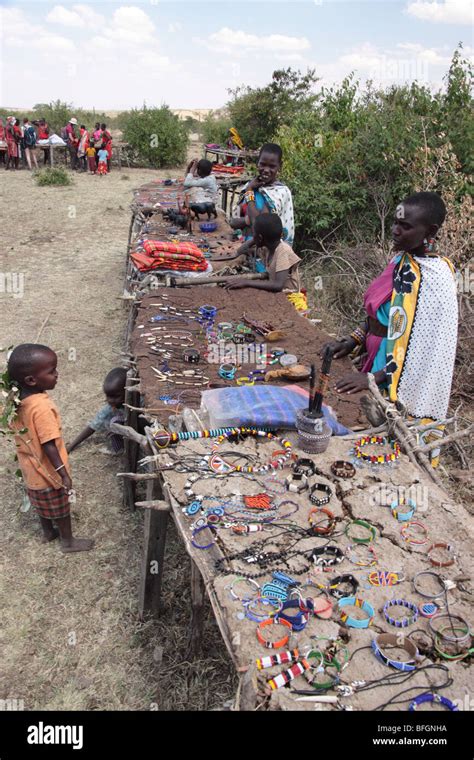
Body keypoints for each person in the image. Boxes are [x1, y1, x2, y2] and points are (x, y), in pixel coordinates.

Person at [323, 191, 458, 465]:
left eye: (405, 226)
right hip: (375, 359)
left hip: (395, 383)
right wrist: (353, 340)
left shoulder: (438, 276)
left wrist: (375, 378)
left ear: (430, 231)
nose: (395, 231)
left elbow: (423, 349)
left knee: (390, 454)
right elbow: (383, 317)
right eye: (395, 223)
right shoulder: (400, 261)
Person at [7, 344, 94, 553]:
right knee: (61, 508)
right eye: (51, 371)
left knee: (40, 503)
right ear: (31, 380)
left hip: (31, 470)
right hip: (48, 473)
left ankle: (48, 533)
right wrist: (62, 474)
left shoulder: (18, 401)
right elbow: (49, 445)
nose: (57, 374)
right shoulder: (42, 407)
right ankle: (68, 542)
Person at [230, 143, 295, 245]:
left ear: (280, 166)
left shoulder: (280, 192)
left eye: (272, 166)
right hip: (244, 249)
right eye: (263, 164)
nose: (266, 170)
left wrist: (250, 191)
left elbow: (257, 224)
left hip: (266, 255)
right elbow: (233, 221)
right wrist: (247, 220)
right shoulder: (248, 186)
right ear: (257, 163)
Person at [226, 213, 302, 295]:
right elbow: (240, 251)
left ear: (260, 238)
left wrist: (246, 282)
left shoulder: (283, 251)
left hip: (291, 297)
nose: (252, 237)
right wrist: (256, 239)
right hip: (278, 295)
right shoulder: (267, 249)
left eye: (253, 234)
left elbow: (278, 285)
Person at [67, 368, 127, 455]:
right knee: (113, 422)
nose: (110, 400)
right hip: (128, 432)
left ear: (127, 391)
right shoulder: (109, 408)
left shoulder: (140, 401)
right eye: (108, 396)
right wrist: (70, 447)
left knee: (115, 422)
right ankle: (119, 448)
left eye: (116, 396)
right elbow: (93, 426)